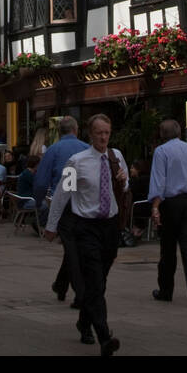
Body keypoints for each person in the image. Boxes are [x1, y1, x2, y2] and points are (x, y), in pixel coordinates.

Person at [45, 113, 127, 356]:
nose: (103, 137)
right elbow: (62, 195)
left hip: (109, 227)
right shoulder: (77, 161)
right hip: (86, 227)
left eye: (107, 133)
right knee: (94, 280)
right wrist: (52, 225)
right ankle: (104, 336)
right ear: (90, 135)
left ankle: (84, 323)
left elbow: (125, 187)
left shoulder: (116, 156)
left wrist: (124, 180)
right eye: (99, 133)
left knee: (98, 283)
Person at [149, 118, 187, 308]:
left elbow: (159, 181)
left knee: (168, 250)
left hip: (171, 204)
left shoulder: (161, 152)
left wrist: (155, 206)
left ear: (161, 134)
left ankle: (166, 291)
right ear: (179, 133)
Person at [35, 116, 89, 303]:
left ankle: (79, 292)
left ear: (59, 132)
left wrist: (39, 201)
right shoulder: (85, 148)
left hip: (64, 204)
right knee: (73, 247)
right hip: (84, 204)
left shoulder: (53, 150)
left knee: (72, 249)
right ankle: (61, 284)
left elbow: (41, 181)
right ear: (76, 129)